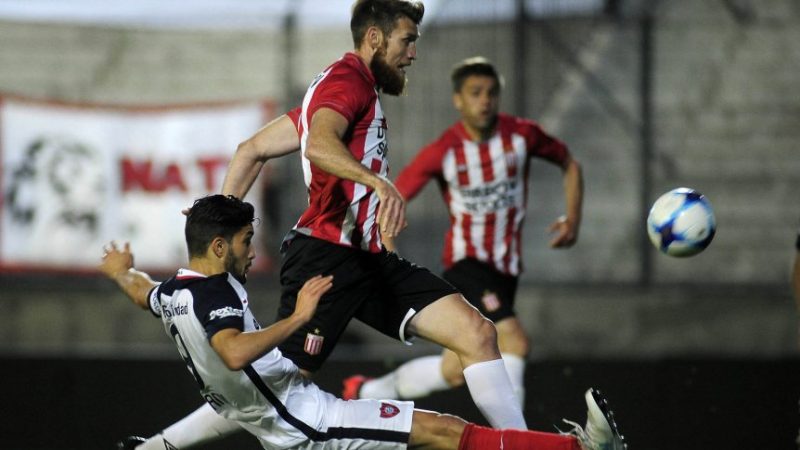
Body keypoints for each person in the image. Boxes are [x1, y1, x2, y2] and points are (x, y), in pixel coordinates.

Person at [100, 194, 625, 450]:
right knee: (445, 432)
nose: (251, 251)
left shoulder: (175, 292)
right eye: (244, 241)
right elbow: (233, 351)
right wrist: (299, 317)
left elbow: (142, 292)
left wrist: (123, 272)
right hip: (309, 426)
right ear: (218, 247)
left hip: (285, 413)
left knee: (442, 433)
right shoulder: (215, 293)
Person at [342, 56, 583, 409]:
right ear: (458, 99)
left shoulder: (522, 136)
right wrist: (390, 257)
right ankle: (516, 435)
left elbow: (569, 163)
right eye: (475, 92)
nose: (485, 100)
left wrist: (572, 219)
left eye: (491, 93)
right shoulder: (443, 151)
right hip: (466, 264)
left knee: (454, 370)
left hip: (505, 271)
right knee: (514, 341)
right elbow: (390, 200)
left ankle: (367, 391)